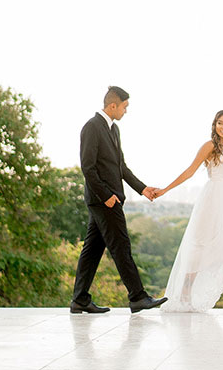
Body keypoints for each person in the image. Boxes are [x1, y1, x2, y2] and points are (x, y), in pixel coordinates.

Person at [70, 86, 167, 314]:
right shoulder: (92, 127)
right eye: (124, 107)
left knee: (92, 250)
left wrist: (143, 189)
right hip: (104, 201)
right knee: (121, 246)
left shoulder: (113, 130)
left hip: (109, 200)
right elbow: (88, 167)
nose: (126, 111)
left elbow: (121, 167)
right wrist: (106, 196)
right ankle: (137, 296)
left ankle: (80, 299)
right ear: (113, 105)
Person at [155, 109, 223, 313]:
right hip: (212, 201)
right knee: (204, 249)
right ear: (214, 125)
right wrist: (165, 189)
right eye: (220, 123)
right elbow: (190, 171)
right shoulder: (209, 146)